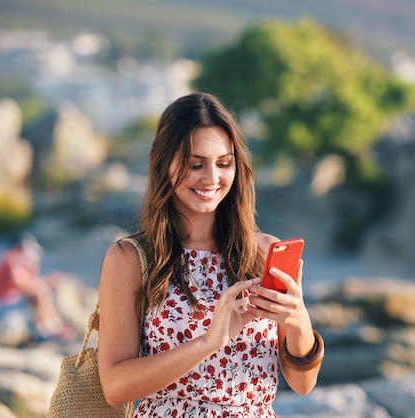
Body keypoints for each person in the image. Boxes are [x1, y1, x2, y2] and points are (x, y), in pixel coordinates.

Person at [98, 92, 323, 417]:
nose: (212, 178)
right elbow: (115, 388)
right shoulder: (131, 259)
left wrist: (299, 320)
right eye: (195, 164)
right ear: (164, 164)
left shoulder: (260, 251)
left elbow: (303, 384)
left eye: (224, 163)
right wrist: (208, 342)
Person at [0, 233, 73, 341]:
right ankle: (46, 329)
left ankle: (51, 326)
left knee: (41, 290)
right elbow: (20, 283)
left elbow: (26, 282)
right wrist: (45, 281)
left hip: (3, 301)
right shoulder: (12, 257)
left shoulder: (14, 259)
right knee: (40, 292)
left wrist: (43, 280)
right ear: (23, 247)